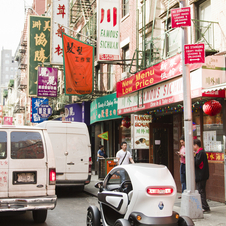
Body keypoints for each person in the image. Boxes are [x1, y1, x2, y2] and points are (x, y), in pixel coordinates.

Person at [193, 139, 210, 213]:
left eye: (193, 145)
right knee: (201, 191)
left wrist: (193, 157)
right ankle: (204, 206)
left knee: (201, 191)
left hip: (201, 175)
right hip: (202, 175)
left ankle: (205, 206)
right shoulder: (201, 152)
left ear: (196, 145)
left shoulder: (200, 153)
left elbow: (196, 163)